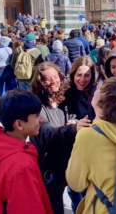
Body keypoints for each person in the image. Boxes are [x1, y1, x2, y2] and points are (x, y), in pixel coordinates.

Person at [66, 77, 116, 214]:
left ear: (102, 108)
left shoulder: (88, 136)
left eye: (103, 89)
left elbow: (76, 184)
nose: (99, 87)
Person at [30, 62, 91, 214]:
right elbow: (46, 133)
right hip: (50, 169)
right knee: (54, 207)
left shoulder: (62, 99)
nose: (53, 81)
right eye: (47, 79)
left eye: (56, 77)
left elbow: (72, 116)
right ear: (39, 82)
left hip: (70, 164)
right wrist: (72, 128)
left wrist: (75, 121)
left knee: (80, 198)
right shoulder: (36, 105)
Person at [0, 89, 53, 214]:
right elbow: (27, 208)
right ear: (19, 124)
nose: (41, 120)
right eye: (36, 116)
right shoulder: (21, 165)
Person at [61, 56, 96, 122]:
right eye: (79, 75)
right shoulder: (65, 92)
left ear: (92, 76)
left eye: (86, 75)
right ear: (73, 74)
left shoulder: (96, 93)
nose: (82, 80)